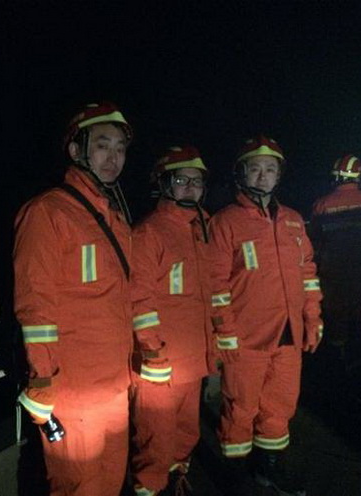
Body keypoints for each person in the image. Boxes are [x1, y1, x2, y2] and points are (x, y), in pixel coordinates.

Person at [13, 101, 134, 496]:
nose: (113, 158)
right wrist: (42, 378)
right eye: (102, 145)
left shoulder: (115, 217)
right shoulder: (47, 212)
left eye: (120, 148)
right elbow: (35, 305)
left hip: (116, 384)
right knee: (79, 487)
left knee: (111, 481)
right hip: (75, 391)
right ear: (75, 150)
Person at [209, 135, 323, 496]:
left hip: (288, 335)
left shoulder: (293, 221)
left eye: (270, 169)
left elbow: (308, 274)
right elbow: (215, 283)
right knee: (240, 408)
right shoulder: (225, 222)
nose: (263, 176)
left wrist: (312, 319)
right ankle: (234, 476)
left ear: (279, 175)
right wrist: (225, 332)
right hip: (246, 337)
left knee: (280, 406)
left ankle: (267, 470)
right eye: (255, 168)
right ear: (241, 173)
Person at [129, 146, 216, 496]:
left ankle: (177, 480)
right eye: (182, 180)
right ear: (164, 184)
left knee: (186, 434)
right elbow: (139, 298)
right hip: (160, 365)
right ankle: (150, 490)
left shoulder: (203, 228)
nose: (191, 188)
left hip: (193, 361)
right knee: (155, 442)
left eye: (197, 181)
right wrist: (152, 352)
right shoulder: (149, 233)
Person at [310, 155, 361, 366]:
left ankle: (338, 356)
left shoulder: (322, 204)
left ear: (336, 177)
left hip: (334, 269)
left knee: (336, 311)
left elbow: (314, 241)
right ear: (359, 176)